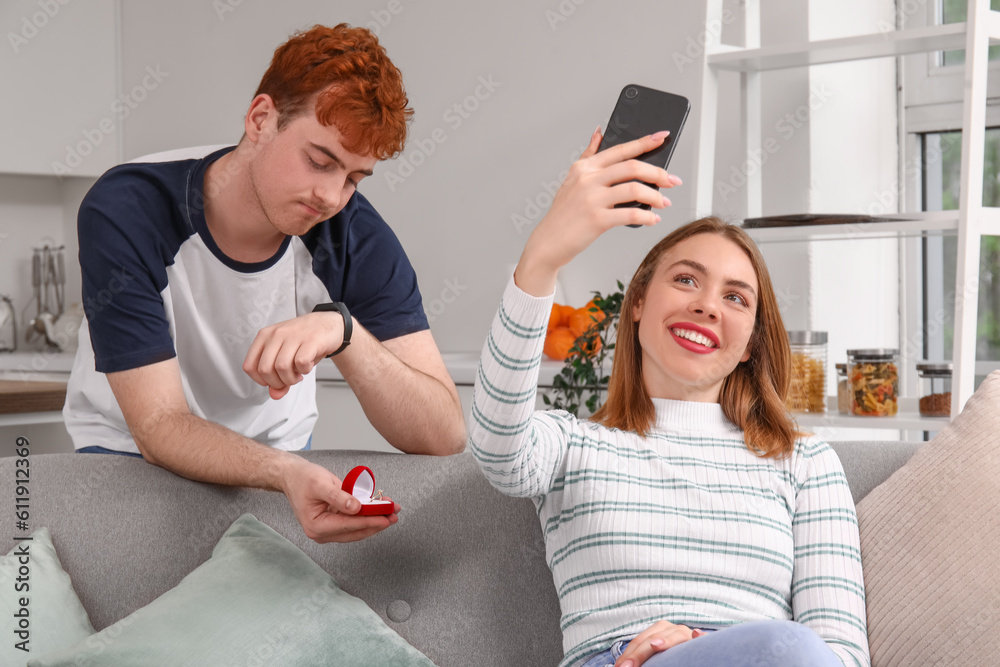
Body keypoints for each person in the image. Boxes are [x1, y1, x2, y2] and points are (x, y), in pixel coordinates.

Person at [470, 129, 869, 667]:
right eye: (686, 280)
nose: (707, 306)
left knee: (792, 650)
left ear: (752, 341)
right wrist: (543, 257)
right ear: (637, 303)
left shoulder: (805, 464)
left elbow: (841, 655)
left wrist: (706, 647)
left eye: (734, 297)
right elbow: (497, 447)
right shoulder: (570, 445)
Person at [63, 24, 467, 544]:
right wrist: (281, 472)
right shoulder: (127, 210)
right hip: (127, 456)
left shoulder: (354, 235)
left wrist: (343, 333)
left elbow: (444, 435)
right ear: (261, 120)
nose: (331, 196)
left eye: (353, 178)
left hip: (280, 467)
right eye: (319, 161)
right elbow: (160, 425)